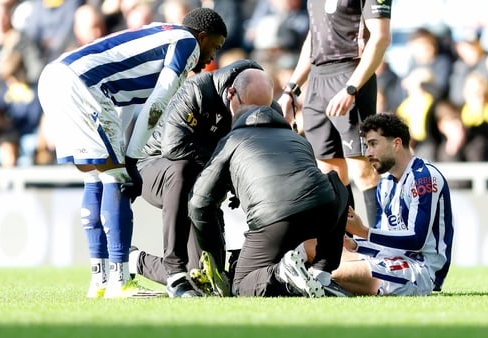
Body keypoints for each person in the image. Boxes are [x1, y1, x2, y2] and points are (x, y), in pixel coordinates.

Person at [36, 7, 228, 299]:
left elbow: (122, 102)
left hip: (55, 78)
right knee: (116, 178)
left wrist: (125, 153)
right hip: (82, 86)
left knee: (96, 177)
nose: (213, 57)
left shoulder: (161, 33)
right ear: (202, 37)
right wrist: (133, 159)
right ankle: (120, 281)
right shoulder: (187, 43)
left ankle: (99, 281)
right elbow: (157, 104)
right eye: (214, 46)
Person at [129, 60, 276, 298]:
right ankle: (175, 270)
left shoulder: (262, 101)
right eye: (245, 112)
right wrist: (229, 163)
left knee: (207, 282)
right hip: (154, 167)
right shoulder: (197, 90)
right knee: (182, 169)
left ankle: (135, 260)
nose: (250, 119)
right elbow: (173, 147)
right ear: (231, 94)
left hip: (203, 188)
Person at [188, 101, 350, 298]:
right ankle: (322, 275)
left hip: (274, 216)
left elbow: (198, 203)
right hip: (324, 209)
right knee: (334, 182)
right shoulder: (297, 138)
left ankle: (282, 272)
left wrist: (212, 257)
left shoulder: (232, 139)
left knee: (241, 285)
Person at [305, 113, 454, 296]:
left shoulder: (424, 178)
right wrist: (355, 244)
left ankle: (319, 285)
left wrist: (364, 232)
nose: (368, 153)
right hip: (389, 260)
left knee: (327, 270)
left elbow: (417, 240)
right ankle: (323, 283)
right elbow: (386, 243)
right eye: (367, 146)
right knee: (311, 245)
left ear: (396, 144)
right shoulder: (385, 183)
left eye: (373, 144)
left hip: (419, 270)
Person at [277, 0, 392, 226]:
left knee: (363, 169)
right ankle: (344, 250)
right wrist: (291, 90)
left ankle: (383, 247)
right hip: (317, 79)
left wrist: (352, 88)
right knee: (330, 173)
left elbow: (380, 37)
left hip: (350, 72)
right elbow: (314, 37)